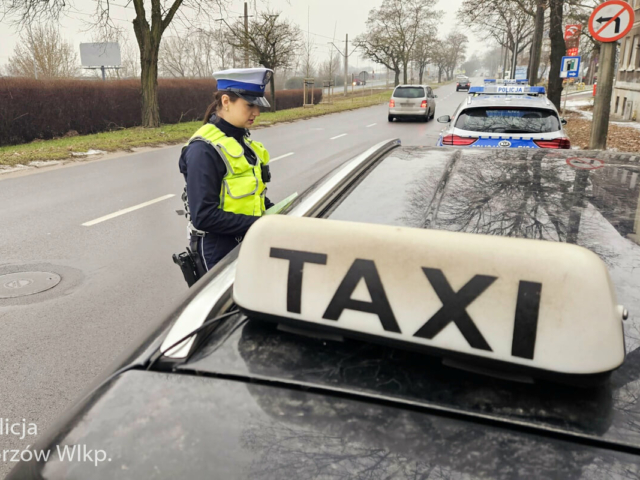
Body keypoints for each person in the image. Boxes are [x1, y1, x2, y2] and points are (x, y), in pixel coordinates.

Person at [178, 68, 275, 274]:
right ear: (225, 101)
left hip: (247, 241)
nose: (256, 112)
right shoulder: (203, 149)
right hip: (219, 252)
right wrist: (260, 224)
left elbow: (252, 196)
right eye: (250, 105)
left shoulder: (243, 143)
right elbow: (204, 216)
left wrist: (278, 215)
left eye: (257, 105)